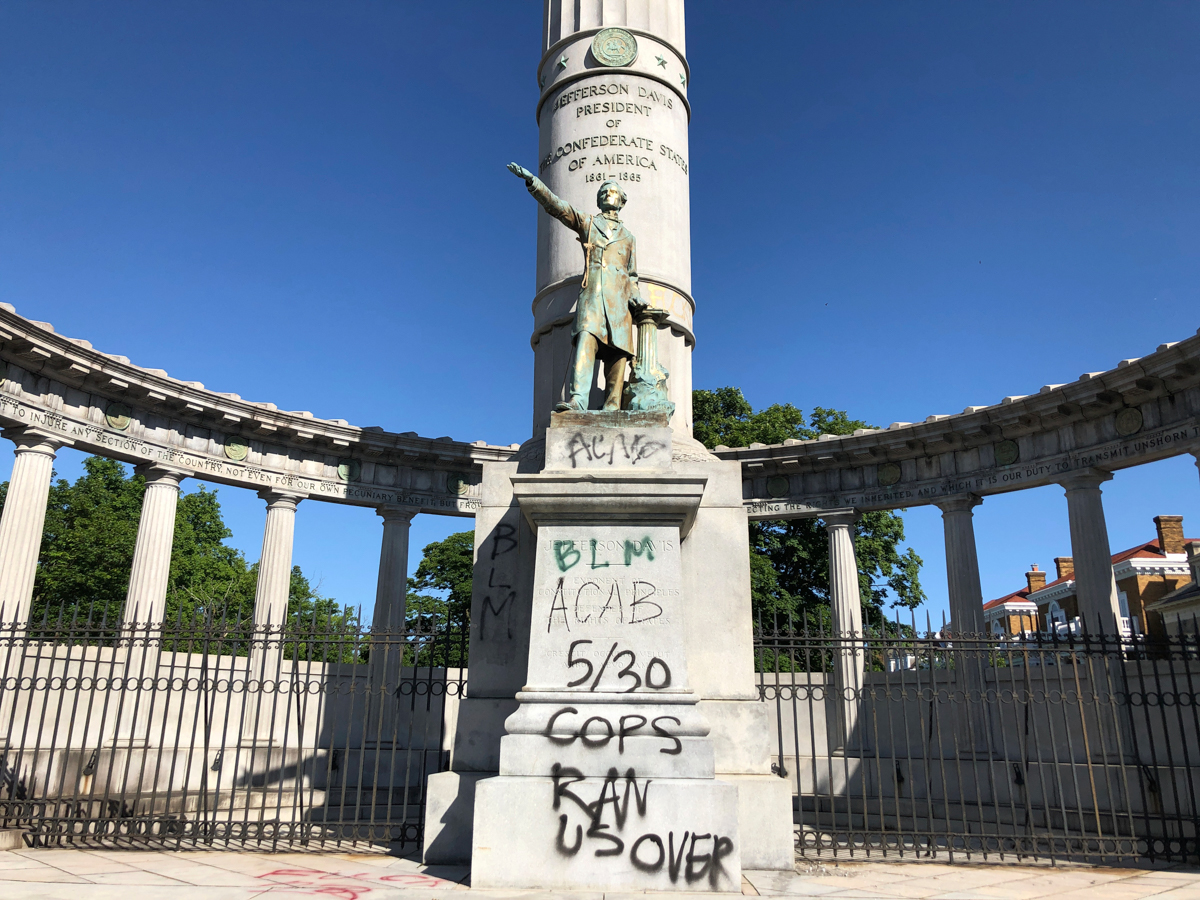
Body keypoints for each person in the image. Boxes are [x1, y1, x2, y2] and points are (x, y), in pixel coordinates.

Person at [507, 163, 647, 412]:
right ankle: (578, 399)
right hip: (592, 297)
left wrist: (635, 298)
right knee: (585, 340)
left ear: (622, 200)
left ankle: (613, 406)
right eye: (603, 192)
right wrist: (534, 183)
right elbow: (560, 208)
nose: (606, 194)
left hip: (619, 303)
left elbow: (631, 275)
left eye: (611, 191)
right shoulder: (589, 223)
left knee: (619, 355)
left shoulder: (629, 237)